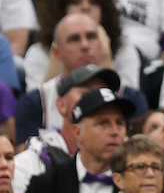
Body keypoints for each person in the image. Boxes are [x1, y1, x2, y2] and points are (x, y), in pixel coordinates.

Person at [18, 12, 148, 144]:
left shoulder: (130, 98)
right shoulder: (37, 102)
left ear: (102, 45)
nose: (85, 45)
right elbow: (24, 156)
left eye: (91, 37)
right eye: (74, 39)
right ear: (57, 52)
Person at [26, 0, 142, 92]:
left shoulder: (124, 50)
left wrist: (105, 56)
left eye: (93, 2)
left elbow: (131, 101)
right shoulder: (38, 52)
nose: (85, 7)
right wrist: (59, 56)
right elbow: (37, 104)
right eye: (76, 2)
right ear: (60, 9)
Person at [25, 87, 132, 193]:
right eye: (103, 123)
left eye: (120, 123)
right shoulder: (45, 185)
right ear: (78, 132)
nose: (115, 132)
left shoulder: (136, 183)